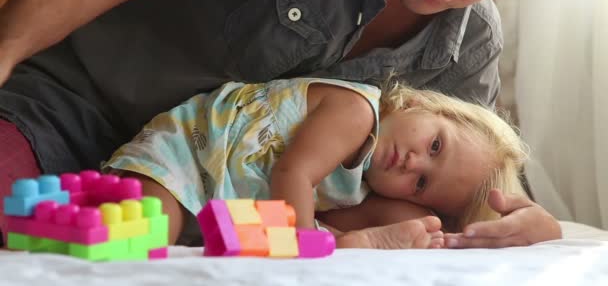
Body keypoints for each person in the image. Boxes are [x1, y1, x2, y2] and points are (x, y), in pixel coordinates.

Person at [0, 0, 574, 248]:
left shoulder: (469, 45)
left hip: (208, 204)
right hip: (74, 110)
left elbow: (465, 191)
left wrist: (524, 222)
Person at [102, 77, 528, 248]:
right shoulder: (358, 114)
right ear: (420, 104)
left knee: (419, 226)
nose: (412, 163)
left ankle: (353, 243)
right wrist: (304, 251)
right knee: (148, 230)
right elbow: (295, 174)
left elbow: (443, 226)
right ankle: (71, 220)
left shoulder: (368, 180)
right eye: (435, 146)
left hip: (231, 205)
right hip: (189, 154)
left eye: (421, 183)